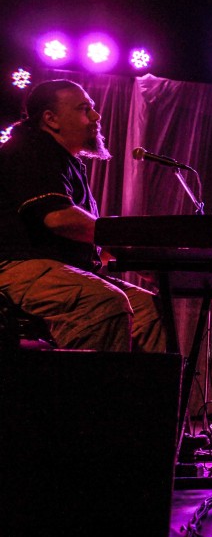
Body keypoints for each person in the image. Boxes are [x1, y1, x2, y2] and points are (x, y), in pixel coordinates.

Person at [0, 79, 167, 352]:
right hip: (15, 265)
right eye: (84, 108)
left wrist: (139, 259)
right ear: (51, 119)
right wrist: (128, 248)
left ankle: (145, 395)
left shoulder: (63, 158)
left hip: (57, 267)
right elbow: (58, 218)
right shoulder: (30, 149)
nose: (96, 116)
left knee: (151, 312)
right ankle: (90, 394)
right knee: (104, 303)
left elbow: (85, 235)